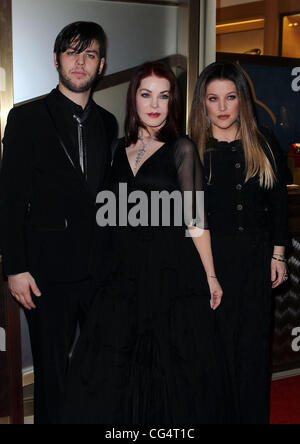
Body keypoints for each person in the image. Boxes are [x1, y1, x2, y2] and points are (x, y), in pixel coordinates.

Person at [62, 61, 228, 424]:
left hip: (169, 274)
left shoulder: (182, 148)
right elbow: (104, 214)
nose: (154, 104)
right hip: (120, 276)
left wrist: (211, 277)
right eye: (146, 94)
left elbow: (196, 220)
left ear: (173, 103)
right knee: (110, 371)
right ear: (133, 99)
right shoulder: (115, 148)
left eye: (164, 96)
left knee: (169, 372)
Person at [0, 21, 118, 424]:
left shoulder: (108, 123)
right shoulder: (26, 118)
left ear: (101, 64)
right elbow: (10, 199)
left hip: (99, 272)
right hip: (45, 273)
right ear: (56, 59)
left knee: (101, 371)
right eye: (72, 52)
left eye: (89, 54)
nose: (80, 61)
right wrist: (14, 267)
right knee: (52, 378)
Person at [189, 61, 290, 424]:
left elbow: (278, 202)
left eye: (230, 97)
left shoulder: (262, 142)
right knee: (213, 355)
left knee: (252, 352)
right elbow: (189, 219)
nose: (222, 107)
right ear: (203, 103)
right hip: (210, 267)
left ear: (241, 101)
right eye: (213, 98)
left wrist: (278, 254)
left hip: (255, 262)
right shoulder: (191, 150)